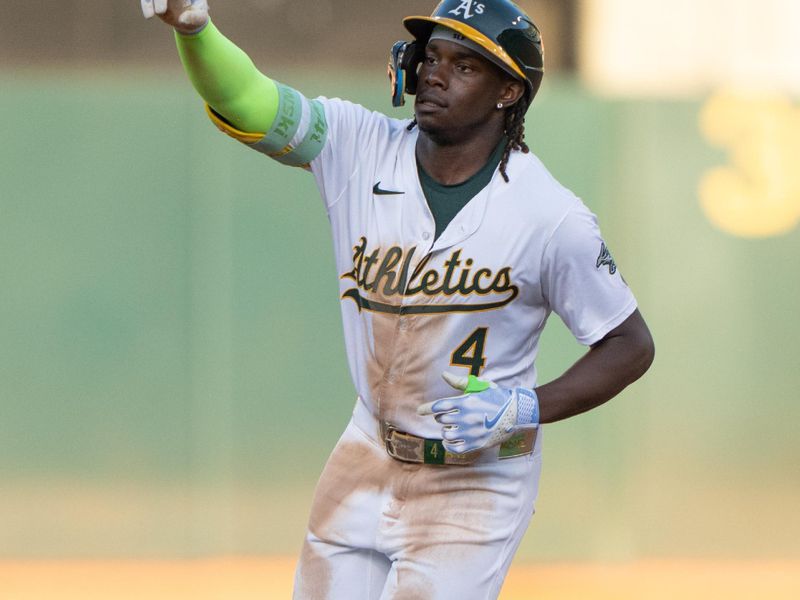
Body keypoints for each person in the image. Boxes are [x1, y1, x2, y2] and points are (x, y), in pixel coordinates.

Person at [141, 0, 655, 598]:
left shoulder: (551, 216)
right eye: (431, 57)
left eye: (464, 65)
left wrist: (525, 407)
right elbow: (249, 102)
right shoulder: (358, 148)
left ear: (508, 93)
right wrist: (195, 30)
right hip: (366, 451)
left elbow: (629, 344)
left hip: (475, 481)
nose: (434, 74)